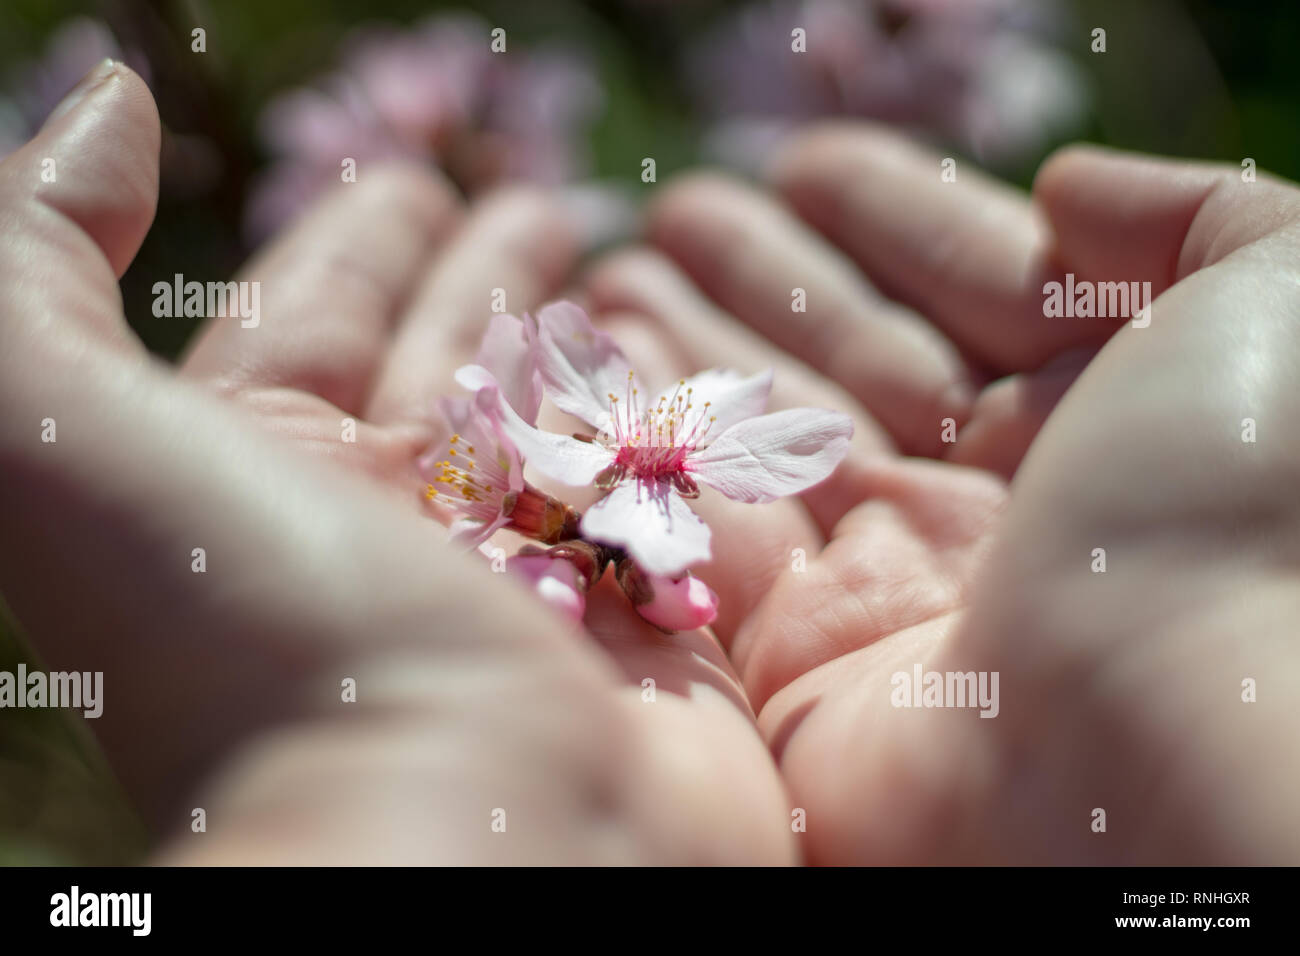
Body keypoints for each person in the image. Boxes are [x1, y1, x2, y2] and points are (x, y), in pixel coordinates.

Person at [1, 61, 1295, 865]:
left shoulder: (654, 497)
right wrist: (1189, 654)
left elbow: (658, 529)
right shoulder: (568, 493)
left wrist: (394, 762)